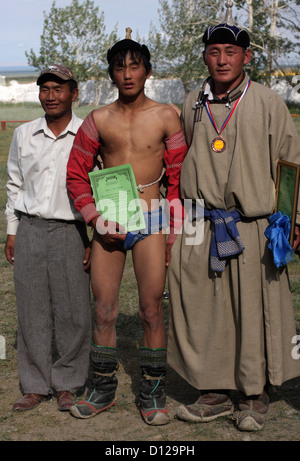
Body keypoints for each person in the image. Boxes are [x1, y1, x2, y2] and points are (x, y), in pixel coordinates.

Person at [167, 6, 300, 432]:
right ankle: (214, 390)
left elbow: (290, 165)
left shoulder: (266, 101)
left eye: (230, 51)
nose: (222, 60)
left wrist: (293, 220)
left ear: (246, 58)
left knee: (255, 307)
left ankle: (254, 392)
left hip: (254, 225)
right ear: (204, 57)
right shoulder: (191, 103)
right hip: (205, 224)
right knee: (207, 308)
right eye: (213, 51)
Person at [66, 29, 187, 425]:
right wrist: (96, 219)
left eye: (135, 66)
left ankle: (153, 393)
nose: (128, 74)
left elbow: (179, 178)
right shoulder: (98, 120)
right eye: (120, 68)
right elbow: (75, 175)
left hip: (151, 220)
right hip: (109, 221)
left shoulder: (168, 115)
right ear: (111, 75)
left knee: (152, 310)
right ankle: (101, 390)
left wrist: (172, 231)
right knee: (103, 309)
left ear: (148, 71)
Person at [4, 65, 92, 413]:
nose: (51, 95)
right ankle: (36, 383)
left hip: (71, 230)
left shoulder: (87, 133)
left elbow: (99, 186)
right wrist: (12, 231)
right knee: (31, 307)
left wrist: (93, 238)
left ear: (74, 93)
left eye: (59, 88)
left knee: (73, 310)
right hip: (29, 228)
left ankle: (68, 382)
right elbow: (14, 185)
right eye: (45, 89)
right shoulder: (24, 134)